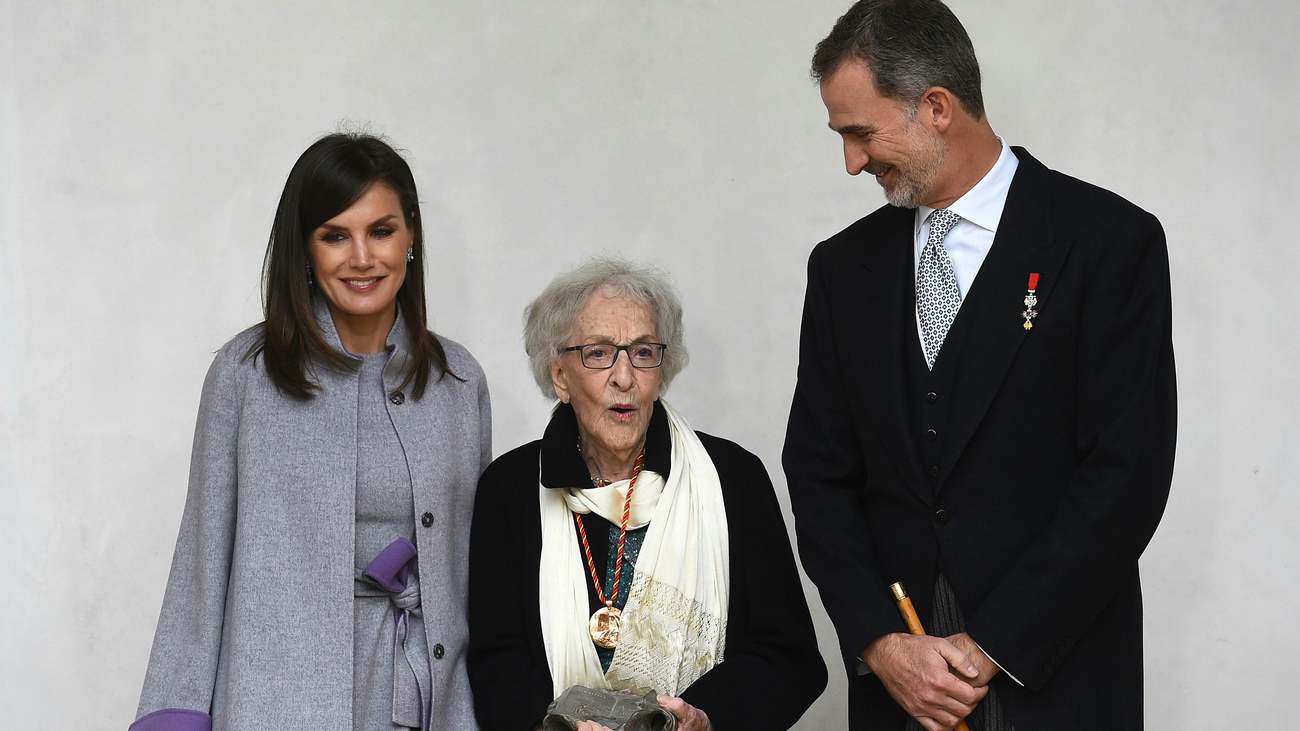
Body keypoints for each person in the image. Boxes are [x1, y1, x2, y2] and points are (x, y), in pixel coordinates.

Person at [782, 2, 1177, 730]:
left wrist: (992, 644)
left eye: (861, 133)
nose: (852, 162)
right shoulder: (842, 269)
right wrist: (880, 641)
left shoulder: (1109, 245)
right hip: (897, 693)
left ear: (936, 106)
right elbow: (818, 472)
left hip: (1058, 681)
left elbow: (1126, 475)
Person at [131, 133, 492, 731]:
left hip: (427, 696)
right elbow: (202, 554)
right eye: (334, 235)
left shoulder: (458, 383)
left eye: (381, 231)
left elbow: (474, 568)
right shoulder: (244, 374)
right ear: (305, 246)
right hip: (277, 695)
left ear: (411, 239)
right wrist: (175, 712)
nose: (361, 257)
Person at [467, 256, 826, 731]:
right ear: (560, 377)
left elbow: (789, 656)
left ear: (662, 368)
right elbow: (495, 659)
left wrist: (705, 718)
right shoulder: (509, 488)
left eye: (642, 352)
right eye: (597, 353)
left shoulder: (733, 478)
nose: (624, 377)